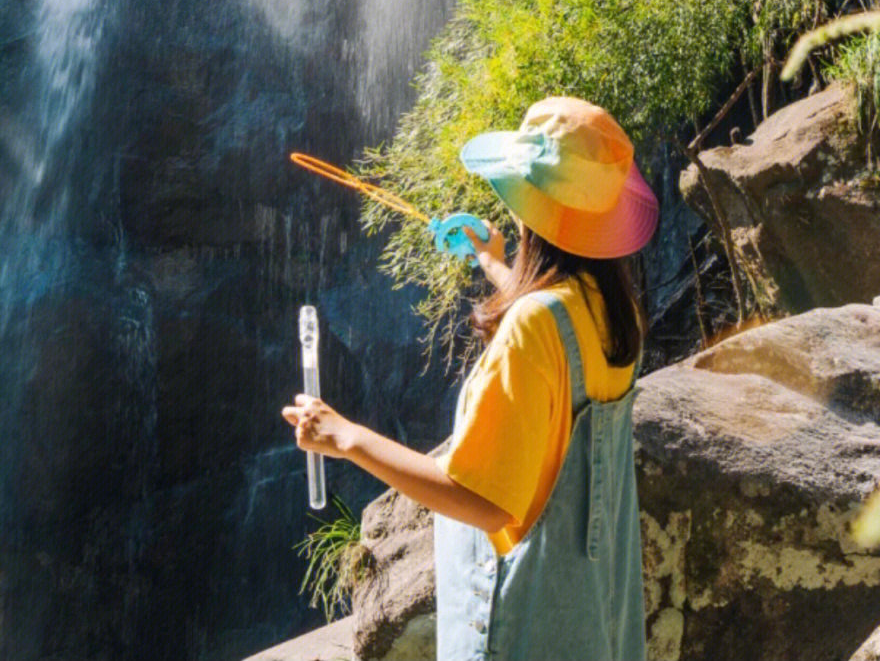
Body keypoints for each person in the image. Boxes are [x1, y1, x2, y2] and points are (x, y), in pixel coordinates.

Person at [281, 95, 659, 661]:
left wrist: (345, 437)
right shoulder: (614, 310)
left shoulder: (535, 326)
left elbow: (483, 502)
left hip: (523, 627)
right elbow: (557, 337)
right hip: (591, 617)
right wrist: (495, 261)